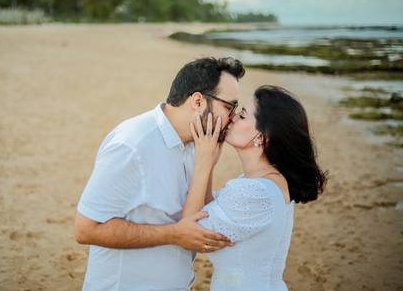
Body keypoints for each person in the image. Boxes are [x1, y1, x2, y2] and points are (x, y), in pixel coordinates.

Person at [74, 57, 245, 290]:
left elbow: (198, 221)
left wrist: (208, 164)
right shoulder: (132, 145)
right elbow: (86, 229)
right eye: (229, 106)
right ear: (197, 101)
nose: (233, 117)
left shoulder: (198, 145)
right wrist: (173, 234)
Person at [184, 85, 328, 290]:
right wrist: (211, 164)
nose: (232, 117)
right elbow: (207, 211)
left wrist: (202, 162)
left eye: (242, 115)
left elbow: (189, 232)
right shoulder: (266, 182)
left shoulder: (255, 192)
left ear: (262, 136)